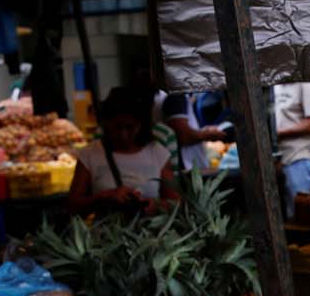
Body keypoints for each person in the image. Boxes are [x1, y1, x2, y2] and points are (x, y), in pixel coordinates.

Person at [69, 86, 179, 216]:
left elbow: (176, 202)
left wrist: (155, 205)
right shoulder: (89, 154)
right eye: (117, 127)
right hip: (105, 234)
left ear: (141, 125)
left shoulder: (157, 153)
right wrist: (104, 197)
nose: (123, 134)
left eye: (130, 127)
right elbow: (72, 206)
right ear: (106, 123)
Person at [273, 82, 310, 218]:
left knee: (301, 216)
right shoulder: (275, 85)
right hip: (279, 160)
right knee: (286, 217)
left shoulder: (305, 84)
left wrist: (278, 133)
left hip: (298, 158)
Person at [161, 90, 230, 171]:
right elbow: (184, 136)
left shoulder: (186, 98)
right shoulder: (176, 98)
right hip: (187, 166)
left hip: (194, 166)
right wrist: (207, 134)